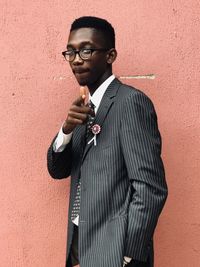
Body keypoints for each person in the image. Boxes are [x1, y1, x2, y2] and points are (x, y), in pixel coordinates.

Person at [47, 16, 168, 267]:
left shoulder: (130, 103)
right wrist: (67, 129)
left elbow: (150, 186)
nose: (76, 59)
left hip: (115, 252)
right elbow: (57, 170)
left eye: (86, 50)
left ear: (110, 56)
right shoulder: (82, 109)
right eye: (70, 52)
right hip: (81, 247)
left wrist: (128, 254)